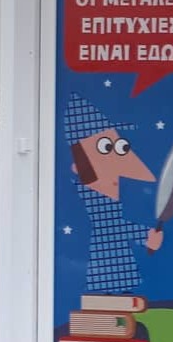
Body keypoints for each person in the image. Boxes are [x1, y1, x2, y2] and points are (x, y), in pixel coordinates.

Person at [65, 94, 162, 295]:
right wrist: (145, 236)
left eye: (121, 148)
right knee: (113, 290)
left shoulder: (104, 193)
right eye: (106, 148)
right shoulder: (93, 197)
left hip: (113, 258)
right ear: (78, 165)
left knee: (118, 292)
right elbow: (111, 227)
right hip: (108, 259)